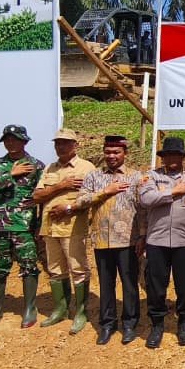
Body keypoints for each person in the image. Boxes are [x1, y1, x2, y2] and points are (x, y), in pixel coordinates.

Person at [137, 137, 185, 348]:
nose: (172, 158)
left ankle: (184, 323)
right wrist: (175, 191)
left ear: (182, 157)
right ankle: (157, 324)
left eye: (176, 155)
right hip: (157, 240)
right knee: (156, 285)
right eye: (168, 155)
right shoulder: (151, 177)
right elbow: (146, 199)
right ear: (163, 157)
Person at [72, 135, 144, 344]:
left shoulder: (136, 177)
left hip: (128, 240)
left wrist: (142, 235)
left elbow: (143, 209)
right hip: (102, 239)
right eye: (108, 152)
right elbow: (81, 201)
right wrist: (105, 192)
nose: (111, 156)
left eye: (116, 152)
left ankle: (129, 324)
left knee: (129, 284)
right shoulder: (94, 176)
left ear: (125, 154)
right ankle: (107, 324)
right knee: (106, 284)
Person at [0, 125, 46, 329]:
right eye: (7, 140)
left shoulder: (36, 165)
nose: (11, 143)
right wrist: (10, 175)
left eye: (15, 139)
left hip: (24, 225)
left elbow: (42, 195)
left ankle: (30, 309)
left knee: (29, 265)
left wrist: (41, 223)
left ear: (24, 141)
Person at [31, 129, 96, 332]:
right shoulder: (50, 168)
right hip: (49, 228)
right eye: (57, 143)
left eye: (66, 143)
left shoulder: (86, 168)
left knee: (78, 269)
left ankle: (81, 312)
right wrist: (61, 186)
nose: (60, 147)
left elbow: (92, 198)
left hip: (72, 227)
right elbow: (37, 196)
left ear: (75, 145)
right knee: (55, 269)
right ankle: (61, 309)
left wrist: (68, 208)